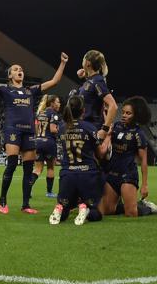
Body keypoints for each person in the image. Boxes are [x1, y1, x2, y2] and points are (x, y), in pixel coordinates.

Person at [0, 51, 68, 214]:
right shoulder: (6, 90)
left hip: (29, 132)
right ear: (10, 75)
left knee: (28, 169)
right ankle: (3, 199)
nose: (19, 70)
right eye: (15, 69)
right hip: (13, 129)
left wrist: (62, 63)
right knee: (12, 165)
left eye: (20, 69)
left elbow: (54, 81)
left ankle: (25, 205)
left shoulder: (30, 91)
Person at [48, 96, 111, 226]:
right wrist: (108, 137)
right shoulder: (90, 127)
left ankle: (60, 207)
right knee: (96, 214)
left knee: (65, 210)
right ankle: (85, 207)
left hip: (67, 175)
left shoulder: (62, 128)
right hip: (87, 174)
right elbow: (100, 154)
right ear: (83, 110)